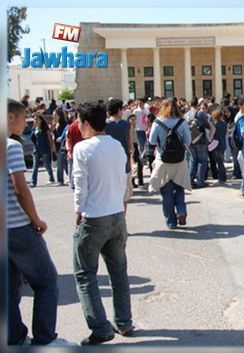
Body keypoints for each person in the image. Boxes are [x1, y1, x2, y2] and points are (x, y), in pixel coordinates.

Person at [7, 99, 70, 346]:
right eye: (23, 118)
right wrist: (36, 220)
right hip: (18, 227)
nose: (26, 123)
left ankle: (13, 337)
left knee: (9, 287)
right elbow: (21, 189)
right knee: (46, 281)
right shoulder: (11, 146)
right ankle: (44, 337)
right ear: (10, 117)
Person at [72, 102, 134, 345]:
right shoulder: (116, 146)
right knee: (118, 273)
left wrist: (78, 211)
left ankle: (100, 327)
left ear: (86, 123)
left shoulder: (82, 148)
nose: (78, 125)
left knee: (85, 274)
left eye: (79, 121)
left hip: (94, 216)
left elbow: (80, 184)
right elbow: (122, 180)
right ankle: (124, 321)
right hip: (116, 214)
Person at [148, 99, 192, 229]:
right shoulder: (182, 122)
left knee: (166, 192)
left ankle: (171, 221)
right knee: (179, 187)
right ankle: (182, 211)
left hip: (163, 160)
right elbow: (188, 141)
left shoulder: (157, 122)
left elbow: (151, 141)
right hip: (179, 160)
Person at [105, 98, 134, 208]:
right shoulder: (127, 125)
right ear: (118, 110)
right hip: (124, 161)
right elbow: (130, 145)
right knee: (124, 195)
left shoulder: (104, 125)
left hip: (108, 161)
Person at [186, 98, 212, 188]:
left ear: (189, 104)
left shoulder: (185, 115)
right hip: (200, 139)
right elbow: (207, 125)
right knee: (202, 161)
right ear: (197, 104)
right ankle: (200, 181)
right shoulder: (200, 114)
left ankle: (190, 180)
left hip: (189, 140)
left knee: (192, 160)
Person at [30, 114, 56, 187]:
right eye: (35, 119)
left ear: (41, 120)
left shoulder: (45, 129)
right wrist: (34, 128)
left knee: (47, 164)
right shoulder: (34, 129)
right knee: (35, 166)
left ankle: (51, 178)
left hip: (45, 149)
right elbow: (32, 138)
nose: (35, 121)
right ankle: (33, 182)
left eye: (37, 119)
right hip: (36, 150)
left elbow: (49, 139)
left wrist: (52, 149)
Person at [52, 108, 68, 186]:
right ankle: (70, 177)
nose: (53, 116)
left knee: (61, 164)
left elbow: (65, 135)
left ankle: (60, 180)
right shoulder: (55, 124)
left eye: (55, 115)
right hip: (57, 146)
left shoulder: (64, 124)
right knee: (63, 164)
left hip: (63, 146)